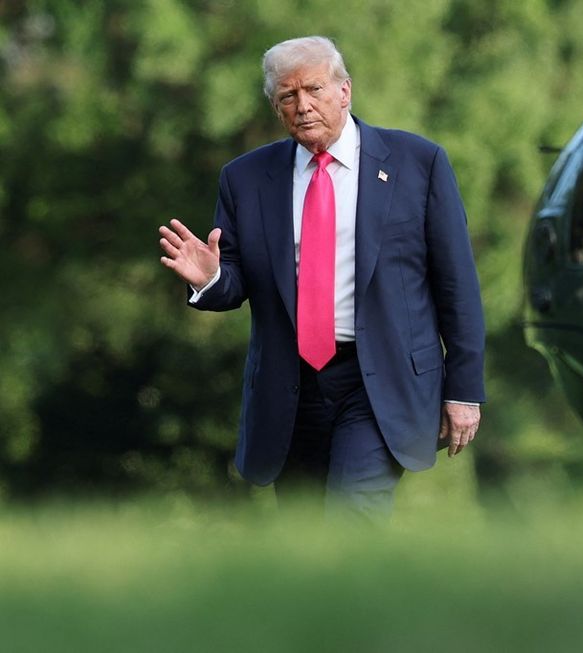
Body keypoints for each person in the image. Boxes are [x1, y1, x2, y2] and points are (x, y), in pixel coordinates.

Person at [158, 36, 485, 520]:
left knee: (354, 516)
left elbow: (456, 285)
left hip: (380, 381)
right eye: (287, 96)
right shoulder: (246, 178)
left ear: (344, 91)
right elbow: (237, 283)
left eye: (313, 89)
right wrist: (210, 278)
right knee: (304, 530)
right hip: (289, 385)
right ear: (276, 108)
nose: (303, 105)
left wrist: (464, 391)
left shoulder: (418, 163)